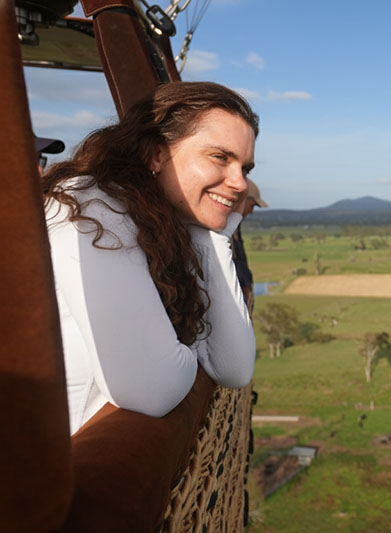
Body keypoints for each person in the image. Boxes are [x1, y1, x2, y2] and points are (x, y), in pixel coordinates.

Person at [42, 82, 258, 435]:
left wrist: (212, 237)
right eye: (220, 157)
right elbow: (155, 390)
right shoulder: (91, 210)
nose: (240, 184)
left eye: (245, 168)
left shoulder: (164, 227)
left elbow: (234, 367)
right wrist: (190, 349)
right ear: (156, 154)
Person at [232, 178, 268, 313]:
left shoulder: (235, 229)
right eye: (252, 205)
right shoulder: (222, 234)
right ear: (242, 201)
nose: (252, 212)